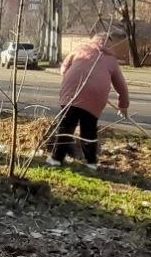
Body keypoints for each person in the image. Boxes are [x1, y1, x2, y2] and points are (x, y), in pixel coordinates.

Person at [47, 35, 130, 169]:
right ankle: (91, 162)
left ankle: (56, 159)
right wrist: (123, 106)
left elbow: (63, 69)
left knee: (66, 126)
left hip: (72, 92)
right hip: (96, 97)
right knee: (89, 129)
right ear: (109, 45)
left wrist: (73, 76)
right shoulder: (111, 60)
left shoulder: (80, 49)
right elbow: (121, 86)